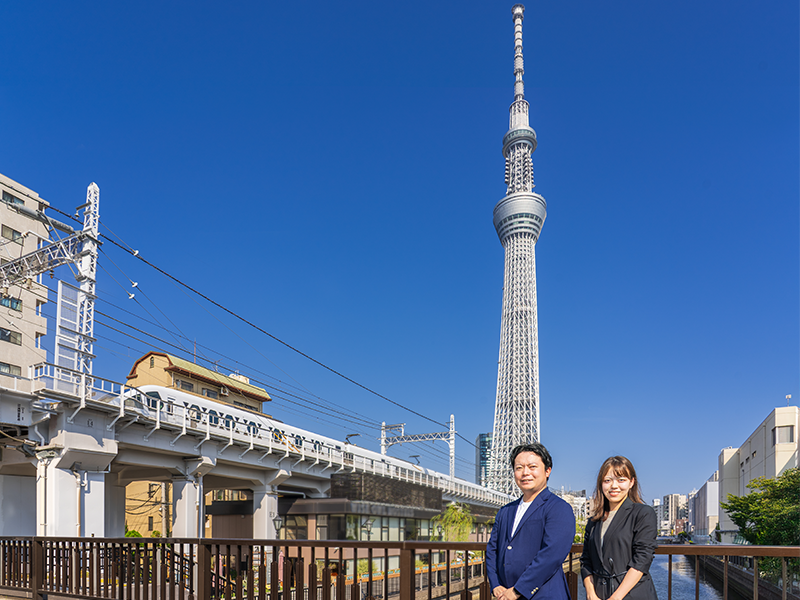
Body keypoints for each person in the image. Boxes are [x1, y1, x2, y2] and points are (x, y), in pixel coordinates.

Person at [486, 443, 576, 600]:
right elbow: (492, 550)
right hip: (505, 593)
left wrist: (518, 590)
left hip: (544, 595)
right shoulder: (505, 511)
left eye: (532, 466)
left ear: (547, 471)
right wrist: (495, 584)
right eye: (519, 468)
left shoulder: (559, 508)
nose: (525, 473)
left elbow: (551, 555)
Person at [580, 456, 658, 600]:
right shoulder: (593, 521)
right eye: (607, 480)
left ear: (631, 482)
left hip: (633, 594)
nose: (614, 486)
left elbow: (642, 559)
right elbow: (586, 560)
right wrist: (591, 594)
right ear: (601, 484)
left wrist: (616, 598)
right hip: (599, 594)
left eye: (621, 480)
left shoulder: (643, 513)